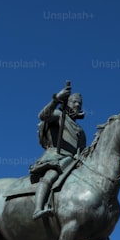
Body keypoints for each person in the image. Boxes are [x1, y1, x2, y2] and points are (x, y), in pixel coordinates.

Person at [29, 84, 86, 219]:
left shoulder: (81, 131)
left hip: (74, 163)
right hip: (57, 157)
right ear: (67, 102)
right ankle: (38, 208)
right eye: (74, 102)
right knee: (51, 176)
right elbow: (43, 115)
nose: (77, 105)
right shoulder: (59, 115)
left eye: (80, 103)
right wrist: (56, 100)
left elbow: (82, 150)